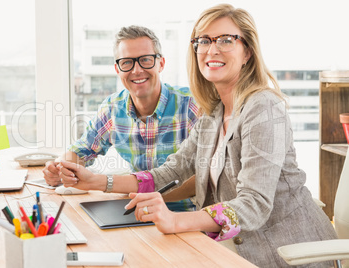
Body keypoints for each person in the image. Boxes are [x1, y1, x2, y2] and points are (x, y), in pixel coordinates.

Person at [57, 4, 338, 267]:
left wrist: (176, 221)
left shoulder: (263, 107)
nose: (211, 50)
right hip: (232, 248)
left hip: (285, 253)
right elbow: (171, 171)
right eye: (203, 41)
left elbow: (253, 205)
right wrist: (98, 181)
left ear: (247, 51)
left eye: (225, 40)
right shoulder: (213, 113)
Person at [43, 25, 199, 208]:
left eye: (146, 60)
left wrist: (149, 198)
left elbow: (203, 178)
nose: (136, 70)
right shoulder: (112, 108)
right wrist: (62, 169)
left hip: (186, 216)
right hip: (134, 212)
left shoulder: (191, 106)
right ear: (117, 69)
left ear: (161, 63)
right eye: (127, 62)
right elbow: (81, 150)